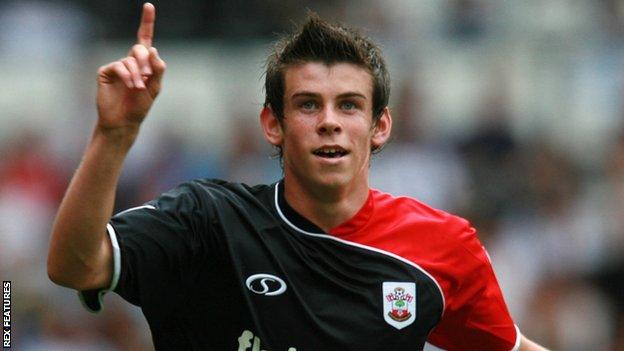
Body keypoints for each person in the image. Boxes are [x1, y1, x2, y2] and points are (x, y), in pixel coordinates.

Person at [48, 3, 548, 350]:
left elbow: (507, 347)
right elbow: (74, 267)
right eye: (308, 104)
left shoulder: (445, 246)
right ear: (273, 125)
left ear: (380, 127)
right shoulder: (205, 222)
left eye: (349, 105)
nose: (329, 120)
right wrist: (115, 134)